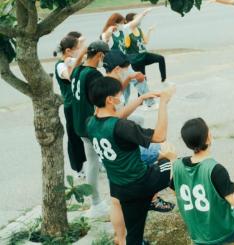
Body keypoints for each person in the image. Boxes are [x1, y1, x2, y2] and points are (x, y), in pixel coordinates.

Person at [85, 76, 177, 245]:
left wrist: (141, 99)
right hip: (139, 183)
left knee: (127, 222)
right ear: (110, 99)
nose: (121, 98)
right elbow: (160, 135)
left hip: (118, 184)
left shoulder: (90, 123)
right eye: (119, 95)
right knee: (175, 164)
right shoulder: (123, 127)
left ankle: (120, 239)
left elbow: (114, 117)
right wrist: (163, 103)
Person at [172, 117, 234, 245]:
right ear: (208, 137)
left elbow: (175, 191)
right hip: (225, 233)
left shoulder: (177, 166)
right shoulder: (215, 169)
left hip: (198, 235)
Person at [70, 40, 111, 218]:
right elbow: (102, 101)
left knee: (92, 163)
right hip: (92, 125)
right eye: (105, 56)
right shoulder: (94, 75)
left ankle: (96, 202)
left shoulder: (77, 70)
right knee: (99, 163)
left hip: (79, 123)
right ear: (100, 55)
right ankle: (97, 203)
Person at [55, 34, 87, 178]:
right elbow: (69, 76)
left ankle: (96, 162)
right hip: (71, 107)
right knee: (75, 138)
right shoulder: (60, 66)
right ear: (68, 51)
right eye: (76, 49)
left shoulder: (72, 59)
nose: (78, 52)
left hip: (82, 104)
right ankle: (79, 169)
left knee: (89, 133)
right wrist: (75, 61)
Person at [124, 11, 167, 83]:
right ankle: (141, 93)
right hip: (136, 60)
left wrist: (149, 30)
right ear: (132, 22)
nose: (139, 20)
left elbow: (145, 41)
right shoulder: (127, 33)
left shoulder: (139, 30)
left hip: (144, 55)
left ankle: (163, 79)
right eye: (137, 19)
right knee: (143, 81)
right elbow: (125, 47)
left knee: (160, 58)